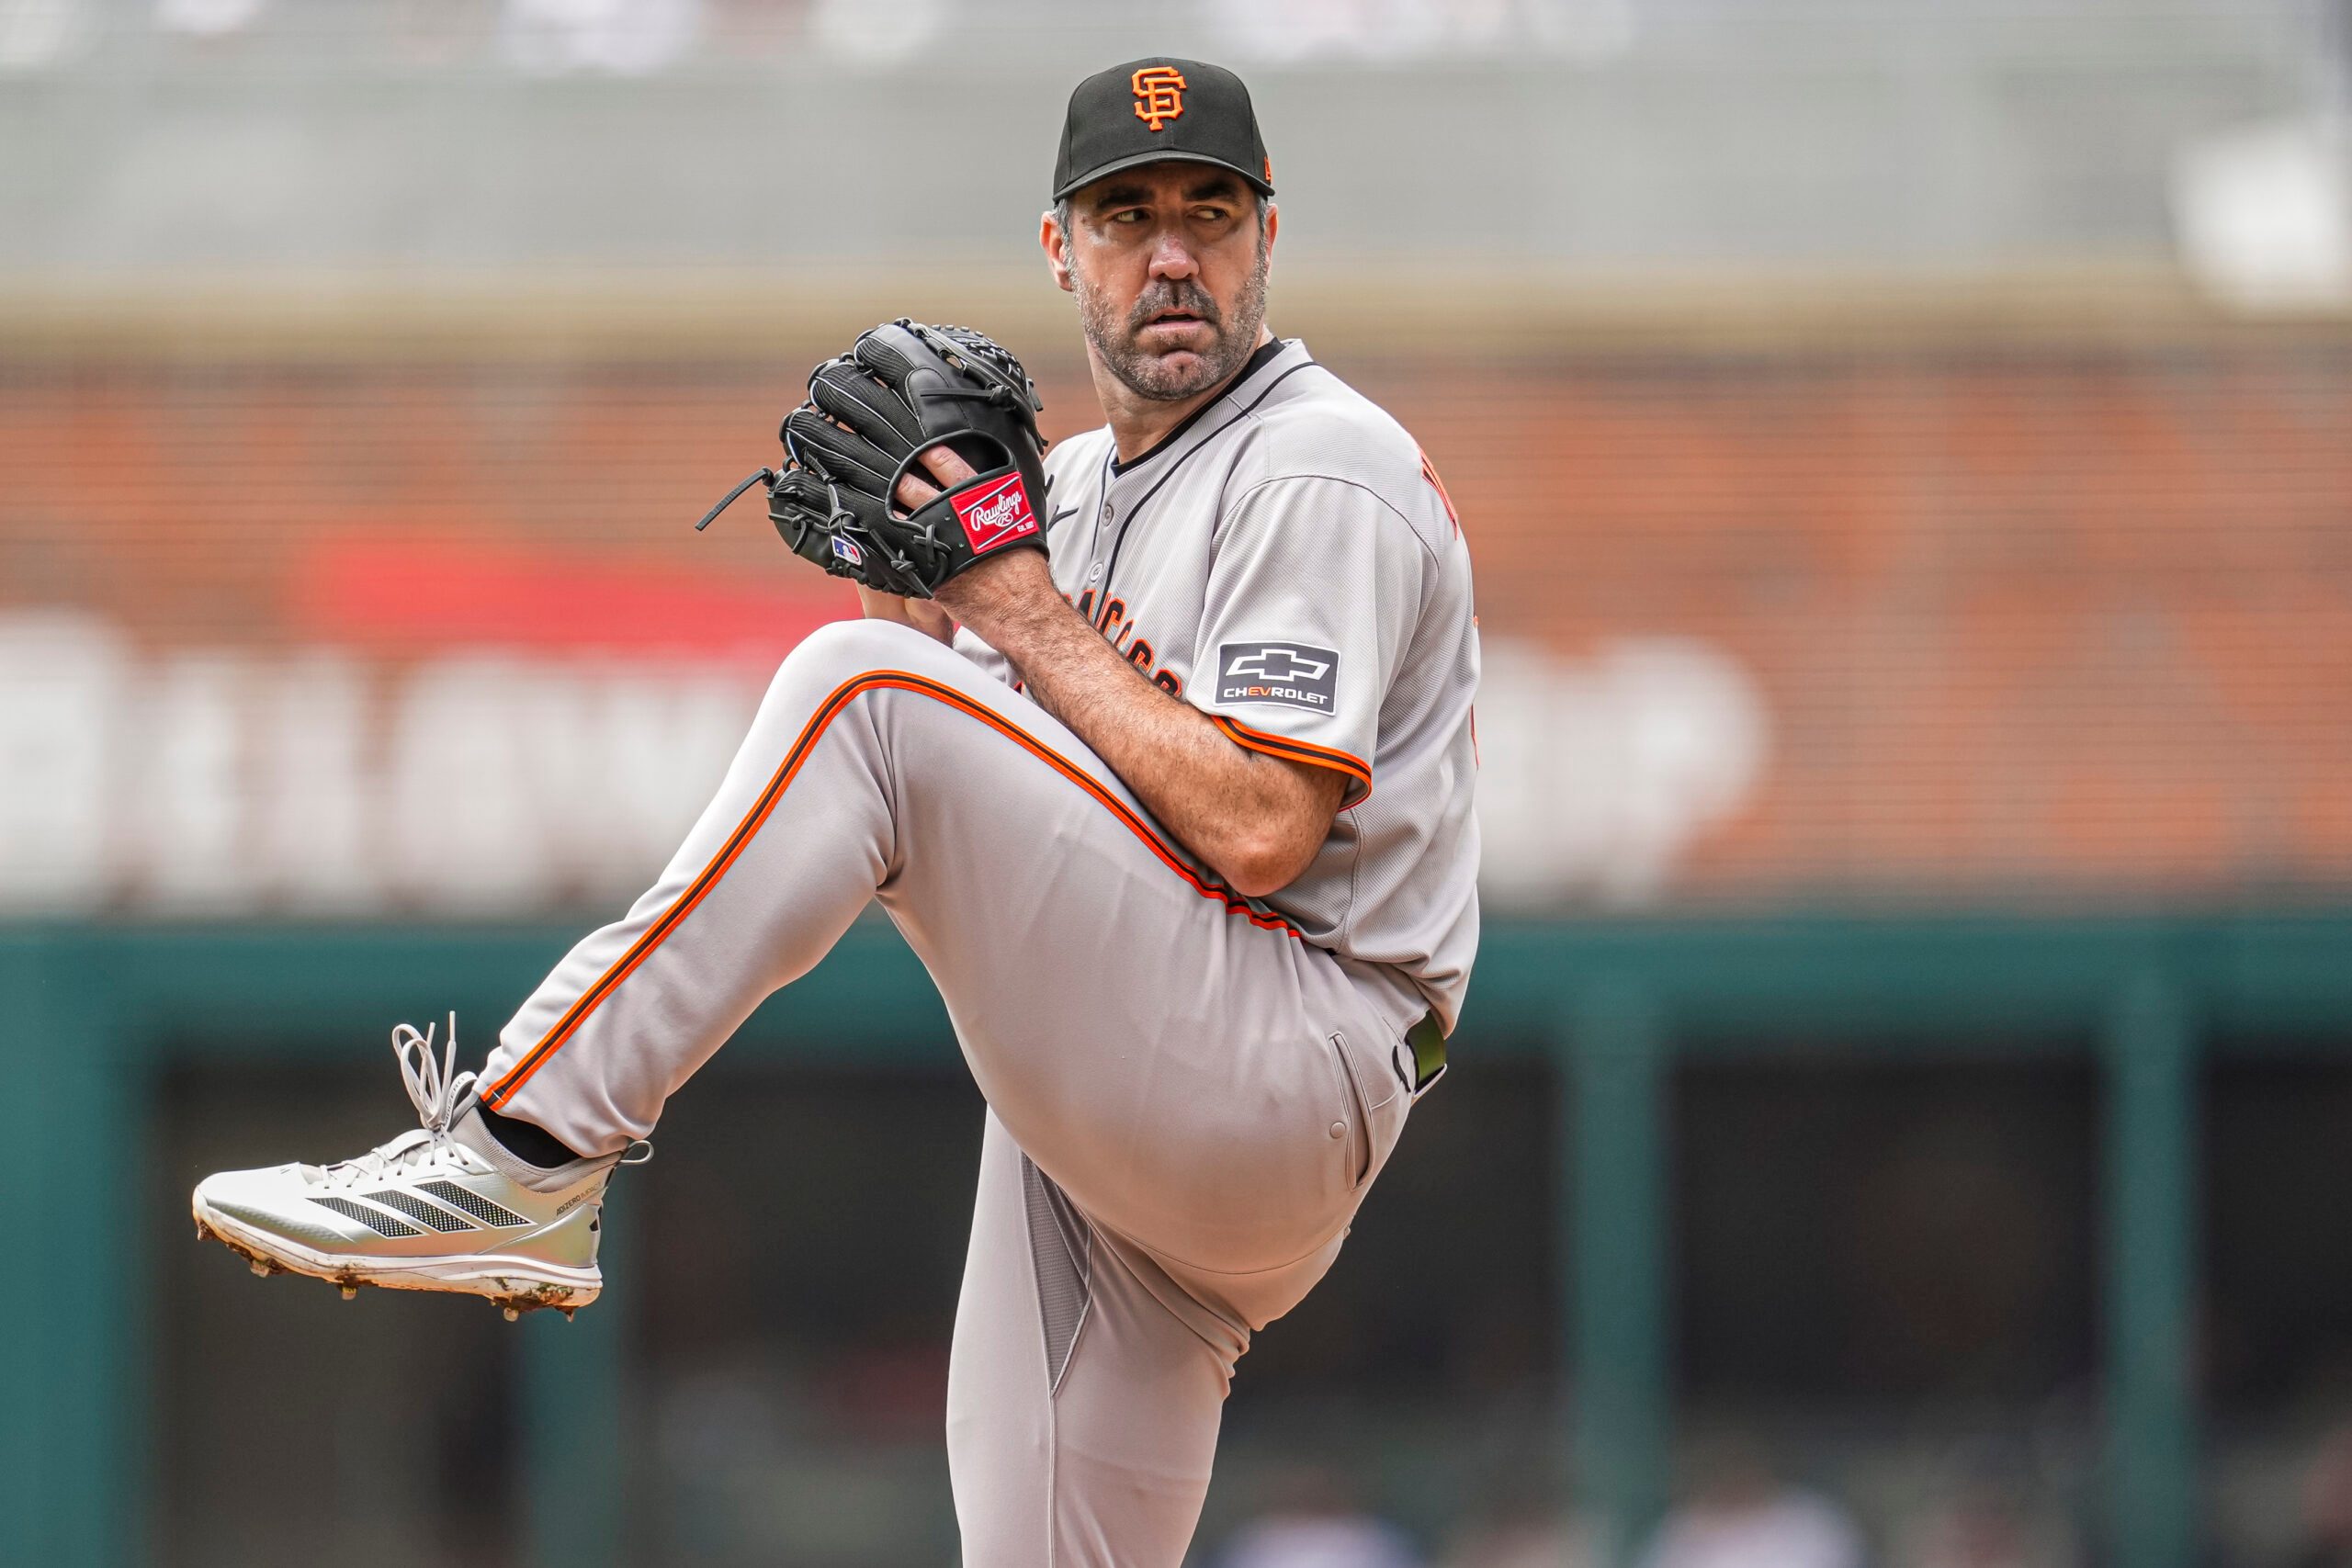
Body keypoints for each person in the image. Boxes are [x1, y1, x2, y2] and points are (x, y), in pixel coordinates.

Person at [192, 55, 1481, 1565]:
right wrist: (910, 573)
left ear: (1270, 236)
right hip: (1142, 1139)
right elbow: (976, 773)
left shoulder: (1321, 461)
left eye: (1211, 212)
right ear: (1062, 250)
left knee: (856, 693)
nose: (1173, 255)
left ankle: (521, 1152)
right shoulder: (1071, 486)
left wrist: (987, 595)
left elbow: (1262, 824)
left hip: (1292, 1049)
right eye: (1127, 218)